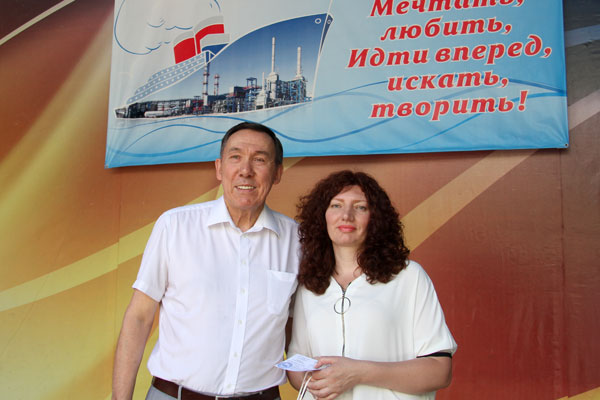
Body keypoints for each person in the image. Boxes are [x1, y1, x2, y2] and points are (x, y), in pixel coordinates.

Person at [112, 122, 300, 400]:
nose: (245, 170)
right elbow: (139, 318)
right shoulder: (175, 226)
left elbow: (297, 329)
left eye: (260, 159)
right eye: (235, 157)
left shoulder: (297, 240)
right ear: (219, 168)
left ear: (277, 173)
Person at [287, 170, 457, 400]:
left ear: (375, 219)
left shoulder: (409, 277)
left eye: (360, 207)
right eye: (336, 205)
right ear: (322, 216)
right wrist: (320, 382)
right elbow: (297, 366)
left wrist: (358, 373)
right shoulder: (310, 284)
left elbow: (439, 371)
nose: (346, 216)